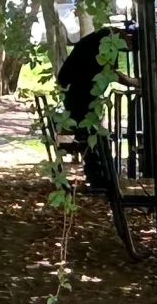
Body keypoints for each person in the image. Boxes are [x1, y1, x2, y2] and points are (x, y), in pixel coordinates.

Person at [55, 22, 136, 196]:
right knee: (92, 136)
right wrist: (132, 82)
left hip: (77, 94)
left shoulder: (98, 39)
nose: (128, 49)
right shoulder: (105, 43)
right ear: (124, 36)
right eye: (130, 44)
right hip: (79, 96)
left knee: (93, 135)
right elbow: (109, 71)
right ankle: (98, 178)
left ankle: (98, 176)